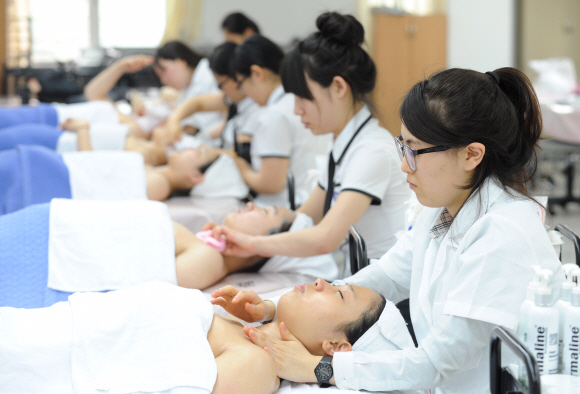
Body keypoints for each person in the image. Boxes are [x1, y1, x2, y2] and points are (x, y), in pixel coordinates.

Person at [210, 67, 566, 393]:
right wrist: (277, 308)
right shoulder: (445, 207)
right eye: (402, 145)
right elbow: (387, 275)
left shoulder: (501, 235)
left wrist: (321, 368)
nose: (403, 165)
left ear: (472, 155)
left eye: (414, 151)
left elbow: (435, 362)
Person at [210, 13, 409, 259]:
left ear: (338, 87)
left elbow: (325, 238)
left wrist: (251, 243)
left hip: (386, 289)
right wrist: (250, 226)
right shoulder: (344, 143)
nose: (296, 109)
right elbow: (305, 216)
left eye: (303, 97)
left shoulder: (371, 150)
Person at [0, 279, 386, 394]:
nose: (319, 281)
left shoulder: (257, 364)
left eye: (337, 293)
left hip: (48, 364)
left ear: (335, 347)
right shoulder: (240, 322)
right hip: (49, 328)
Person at [0, 199, 338, 309]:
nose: (251, 204)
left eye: (264, 213)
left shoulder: (209, 260)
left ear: (261, 246)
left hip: (58, 251)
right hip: (58, 228)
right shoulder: (204, 248)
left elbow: (146, 277)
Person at [84, 41, 222, 138]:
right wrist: (122, 66)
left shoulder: (208, 77)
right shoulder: (188, 92)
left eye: (164, 71)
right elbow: (93, 93)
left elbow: (93, 93)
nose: (163, 81)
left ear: (181, 61)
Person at [162, 41, 260, 154]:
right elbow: (198, 103)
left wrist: (205, 151)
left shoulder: (255, 107)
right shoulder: (236, 100)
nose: (220, 90)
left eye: (220, 84)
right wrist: (174, 119)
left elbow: (238, 157)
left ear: (235, 78)